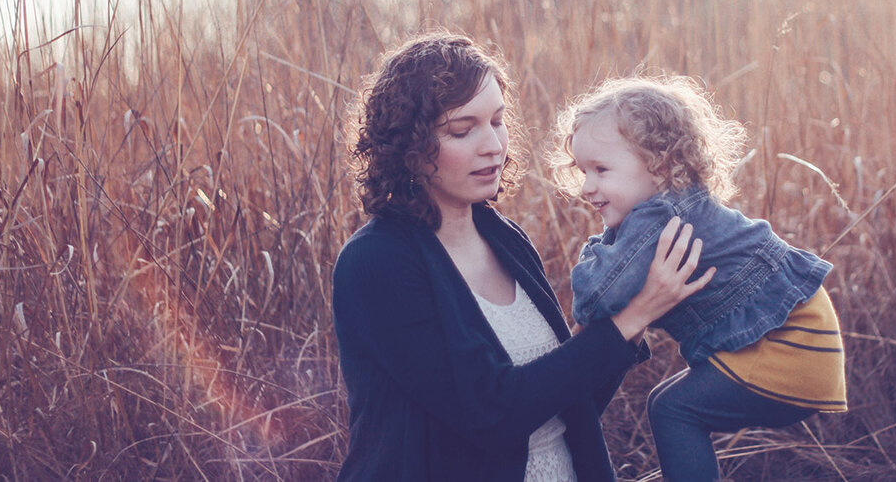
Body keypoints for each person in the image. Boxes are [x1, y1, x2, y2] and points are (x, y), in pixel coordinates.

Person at [332, 32, 715, 482]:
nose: (493, 145)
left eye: (497, 121)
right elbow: (491, 416)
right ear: (409, 146)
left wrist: (633, 305)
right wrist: (634, 315)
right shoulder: (376, 262)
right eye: (462, 130)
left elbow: (567, 405)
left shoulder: (505, 238)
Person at [552, 74, 848, 482]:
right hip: (806, 341)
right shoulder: (678, 204)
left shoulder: (658, 217)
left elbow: (593, 299)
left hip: (788, 347)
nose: (587, 187)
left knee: (673, 410)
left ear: (659, 166)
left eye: (601, 170)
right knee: (664, 400)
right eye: (582, 170)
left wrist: (598, 249)